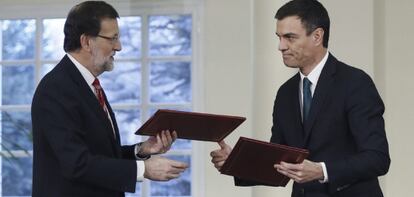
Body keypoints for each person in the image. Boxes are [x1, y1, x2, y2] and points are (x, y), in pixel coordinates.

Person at [210, 0, 390, 196]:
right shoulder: (285, 93)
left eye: (290, 37)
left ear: (317, 36)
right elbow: (279, 163)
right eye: (279, 37)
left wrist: (321, 171)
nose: (281, 46)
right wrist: (236, 163)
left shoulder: (355, 83)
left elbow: (377, 158)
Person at [31, 1, 188, 197]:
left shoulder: (87, 85)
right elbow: (77, 163)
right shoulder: (56, 89)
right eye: (112, 38)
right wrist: (144, 169)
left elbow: (100, 156)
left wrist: (141, 150)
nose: (119, 47)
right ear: (86, 42)